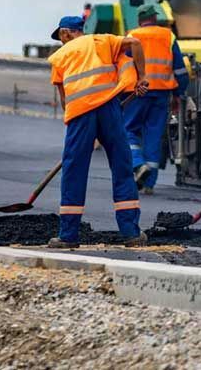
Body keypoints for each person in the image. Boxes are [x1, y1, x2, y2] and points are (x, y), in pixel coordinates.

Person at [47, 15, 150, 248]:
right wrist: (142, 77)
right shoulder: (102, 41)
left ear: (65, 33)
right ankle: (131, 233)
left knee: (74, 170)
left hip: (80, 114)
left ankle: (68, 235)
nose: (61, 42)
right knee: (122, 166)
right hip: (109, 108)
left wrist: (84, 133)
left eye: (61, 37)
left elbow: (64, 101)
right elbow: (134, 43)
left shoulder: (60, 57)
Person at [122, 4, 189, 194]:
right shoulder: (168, 36)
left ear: (139, 19)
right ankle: (149, 184)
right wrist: (179, 93)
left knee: (127, 129)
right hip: (161, 94)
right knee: (154, 135)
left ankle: (137, 164)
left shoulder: (131, 36)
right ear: (155, 18)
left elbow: (124, 65)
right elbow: (180, 70)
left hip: (136, 92)